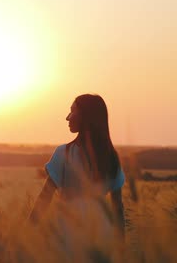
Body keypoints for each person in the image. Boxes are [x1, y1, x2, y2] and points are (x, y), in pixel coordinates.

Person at [29, 94, 125, 258]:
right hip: (102, 231)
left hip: (69, 229)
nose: (67, 117)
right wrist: (121, 244)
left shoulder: (63, 153)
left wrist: (27, 232)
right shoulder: (111, 156)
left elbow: (45, 197)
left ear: (86, 117)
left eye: (72, 111)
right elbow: (117, 207)